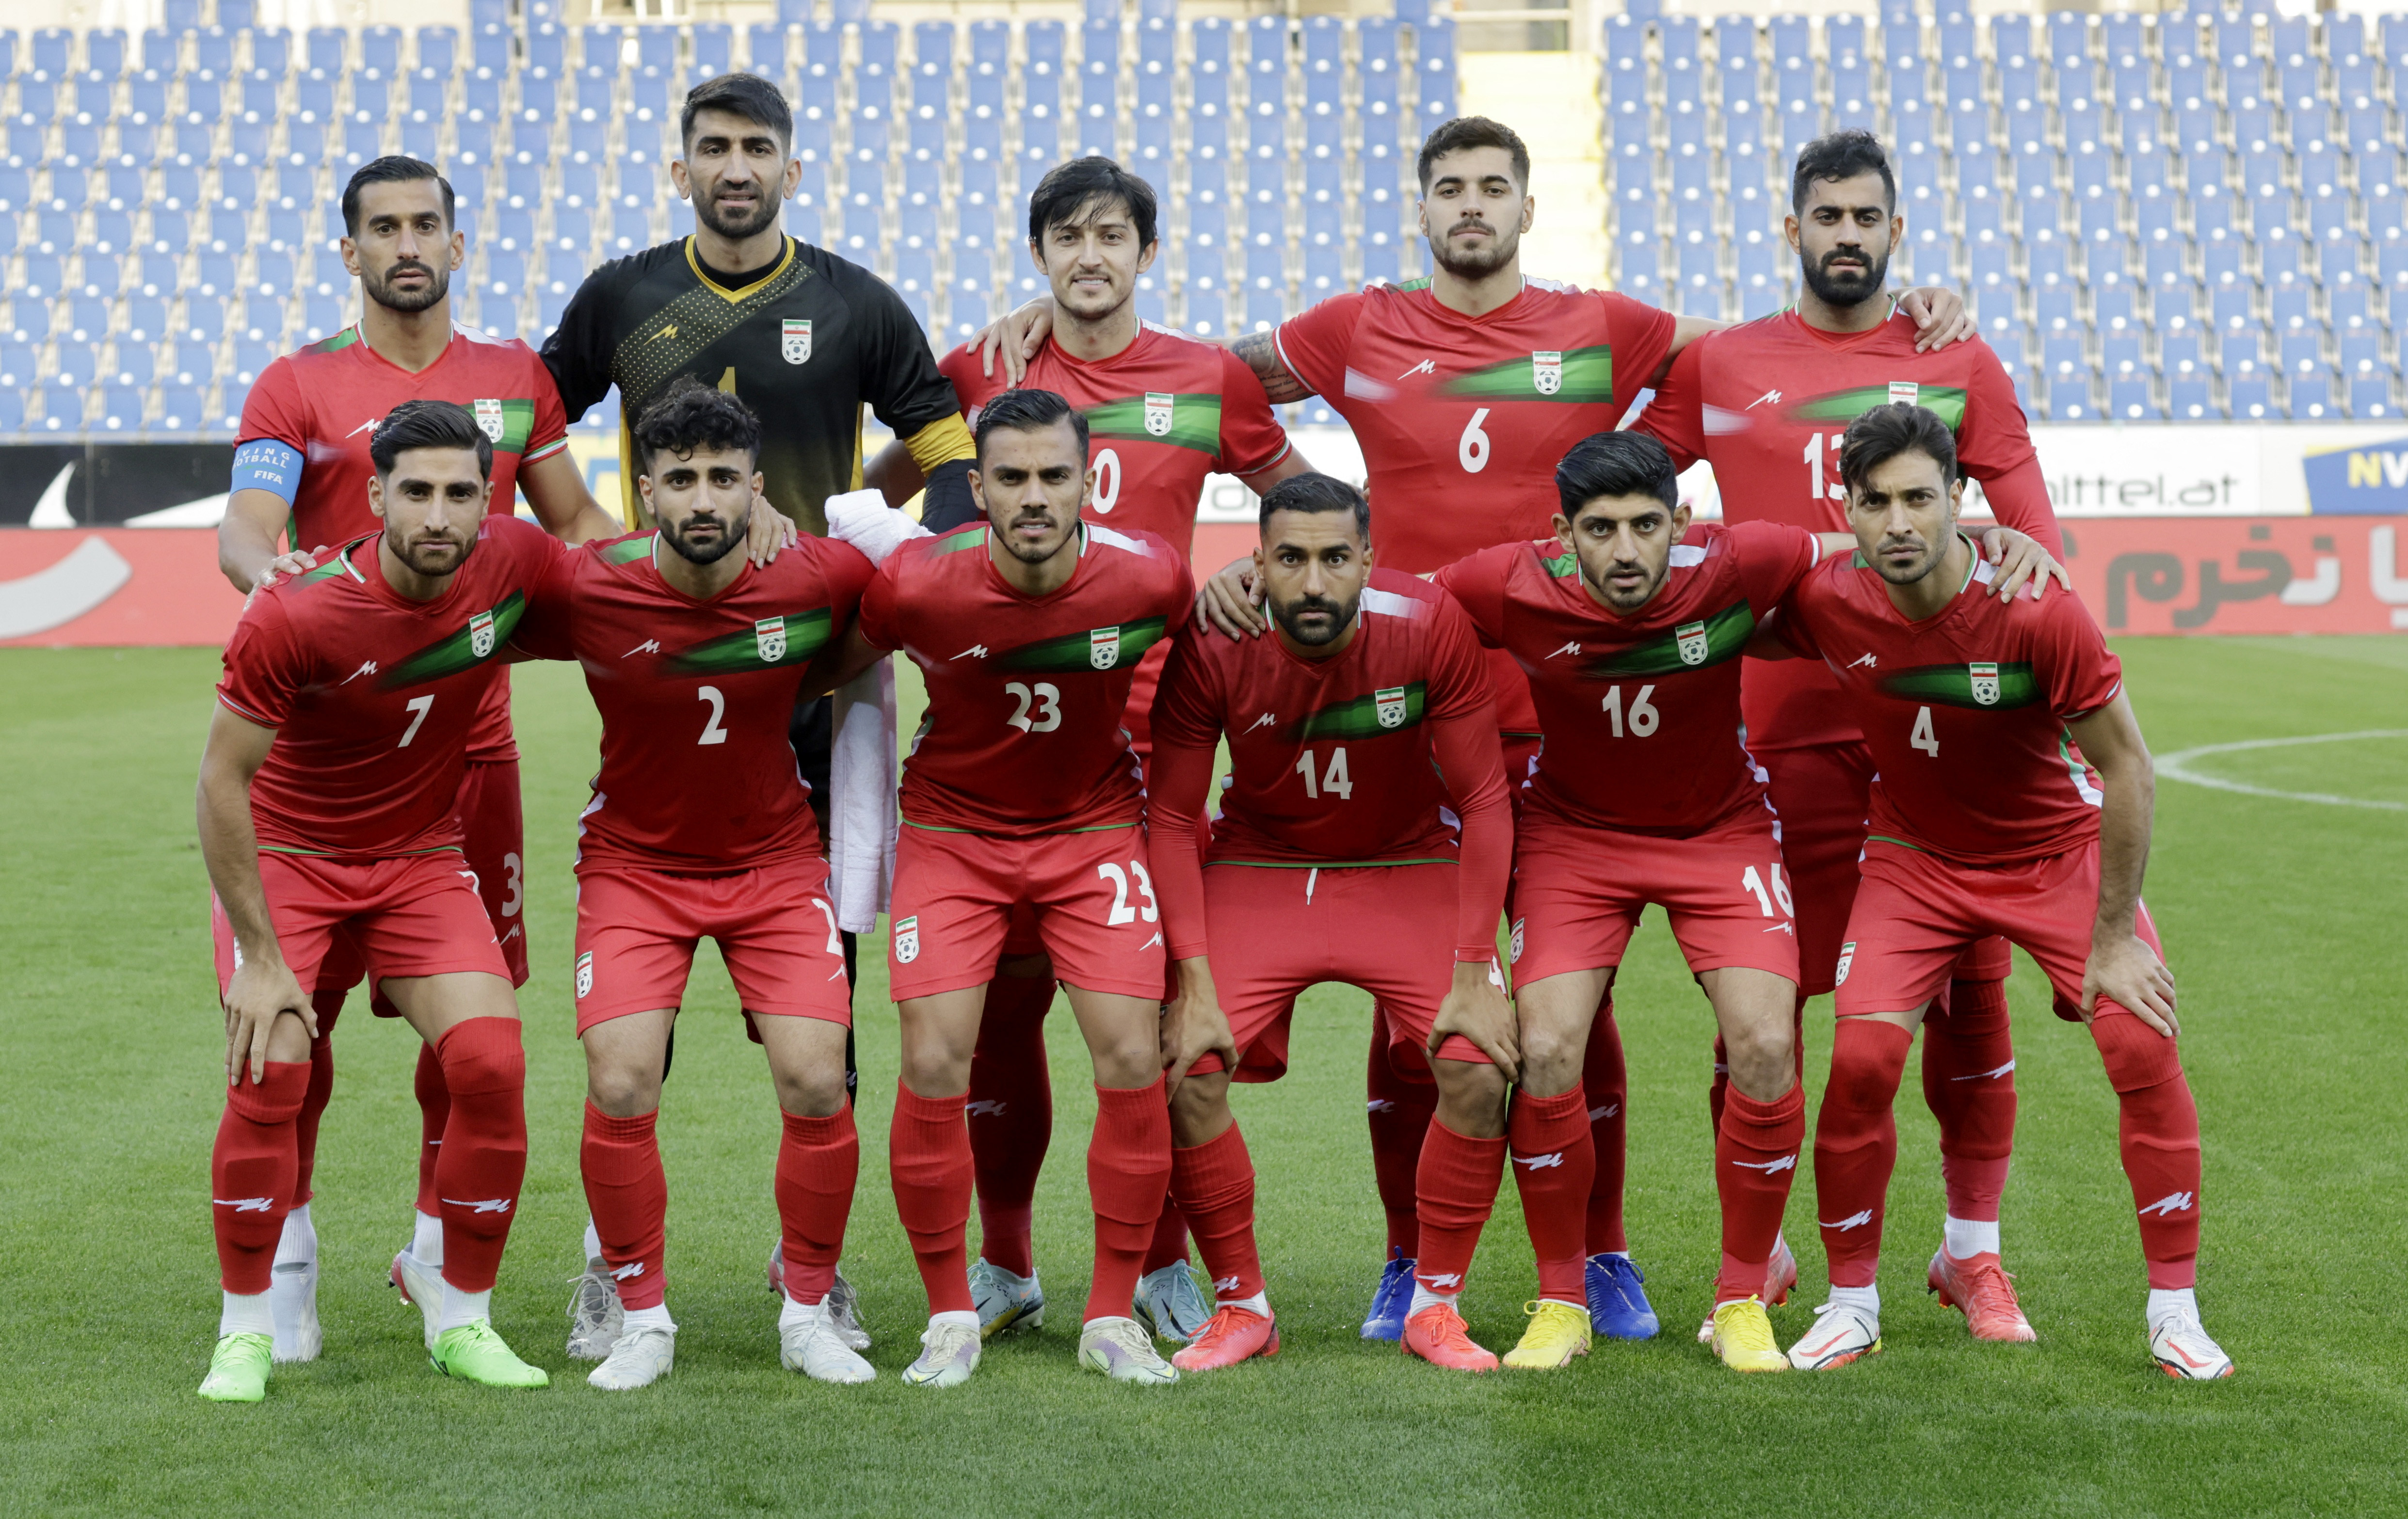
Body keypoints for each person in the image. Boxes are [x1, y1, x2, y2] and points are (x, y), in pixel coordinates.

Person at [977, 115, 1978, 1341]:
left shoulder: (1601, 325)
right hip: (1398, 708)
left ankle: (1599, 1256)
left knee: (1572, 1007)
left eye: (1491, 186)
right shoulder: (1354, 327)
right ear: (1421, 208)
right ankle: (1409, 1262)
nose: (1469, 205)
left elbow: (1750, 351)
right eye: (1448, 187)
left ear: (1524, 207)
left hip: (1553, 721)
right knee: (1417, 1013)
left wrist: (1900, 315)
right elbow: (1212, 372)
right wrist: (1062, 325)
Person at [1432, 432, 2055, 1373]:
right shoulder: (1504, 582)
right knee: (1549, 1045)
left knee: (1765, 1042)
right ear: (1560, 533)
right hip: (1573, 838)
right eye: (1599, 530)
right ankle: (1560, 1301)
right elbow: (1394, 606)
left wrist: (1988, 541)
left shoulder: (1741, 558)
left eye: (1646, 525)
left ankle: (1740, 1299)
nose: (1625, 550)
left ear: (1683, 522)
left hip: (1719, 831)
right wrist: (1248, 583)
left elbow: (1863, 547)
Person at [539, 69, 957, 1355]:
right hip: (672, 657)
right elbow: (529, 423)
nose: (735, 167)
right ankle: (613, 1262)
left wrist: (856, 534)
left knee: (822, 1008)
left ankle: (809, 1267)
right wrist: (599, 537)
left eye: (757, 148)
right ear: (681, 170)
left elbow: (945, 449)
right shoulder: (622, 296)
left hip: (812, 672)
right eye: (713, 148)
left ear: (791, 167)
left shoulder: (854, 301)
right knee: (634, 1036)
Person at [869, 154, 1316, 1345]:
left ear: (1145, 252)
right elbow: (891, 486)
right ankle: (1006, 1263)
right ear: (1039, 253)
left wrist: (1249, 572)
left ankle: (1161, 1261)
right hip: (1001, 742)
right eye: (1066, 237)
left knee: (1151, 1021)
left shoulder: (1207, 376)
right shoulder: (986, 366)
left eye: (1110, 236)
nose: (1088, 256)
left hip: (1153, 742)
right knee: (997, 1025)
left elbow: (1304, 502)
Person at [1634, 129, 2068, 1343]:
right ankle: (1761, 1251)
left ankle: (1969, 1256)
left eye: (1864, 217)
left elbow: (2034, 538)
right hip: (1785, 734)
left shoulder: (1956, 358)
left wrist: (2007, 559)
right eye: (1824, 216)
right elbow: (1622, 492)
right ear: (1791, 230)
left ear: (1894, 230)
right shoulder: (1721, 361)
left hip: (1945, 735)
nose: (1844, 236)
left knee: (1967, 1001)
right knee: (1764, 1001)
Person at [217, 155, 622, 1363]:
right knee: (301, 1030)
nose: (407, 243)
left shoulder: (516, 380)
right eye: (383, 227)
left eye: (425, 224)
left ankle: (438, 1260)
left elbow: (575, 528)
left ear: (457, 241)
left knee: (475, 1041)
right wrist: (277, 581)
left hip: (468, 757)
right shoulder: (297, 384)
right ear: (351, 251)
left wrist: (684, 577)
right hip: (325, 747)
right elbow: (247, 527)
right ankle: (287, 1266)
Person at [1763, 403, 2229, 1380]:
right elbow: (1719, 608)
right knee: (1860, 1060)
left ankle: (2175, 1315)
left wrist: (2112, 937)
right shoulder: (1826, 598)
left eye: (1918, 499)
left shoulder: (2036, 607)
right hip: (1913, 858)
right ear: (1845, 510)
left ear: (1959, 497)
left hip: (2052, 852)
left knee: (2140, 1042)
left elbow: (2128, 767)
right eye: (1874, 503)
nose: (1898, 523)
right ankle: (1850, 1304)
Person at [507, 380, 879, 1391]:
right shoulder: (588, 585)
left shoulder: (816, 574)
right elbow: (460, 602)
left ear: (756, 487)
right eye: (681, 480)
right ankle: (641, 1318)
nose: (703, 498)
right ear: (646, 491)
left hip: (774, 864)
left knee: (817, 1078)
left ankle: (807, 1310)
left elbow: (915, 590)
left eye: (723, 477)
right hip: (635, 868)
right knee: (622, 1079)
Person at [824, 387, 1196, 1387]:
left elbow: (1209, 663)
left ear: (1087, 483)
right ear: (977, 487)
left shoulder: (1150, 576)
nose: (1034, 496)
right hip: (954, 838)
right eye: (1012, 477)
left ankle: (1110, 1317)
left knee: (1132, 1054)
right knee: (933, 1058)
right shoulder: (918, 582)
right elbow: (831, 664)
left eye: (1053, 476)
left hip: (1092, 835)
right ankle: (951, 1313)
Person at [195, 400, 560, 1402]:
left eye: (460, 493)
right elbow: (220, 783)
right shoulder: (295, 609)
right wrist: (260, 958)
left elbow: (636, 587)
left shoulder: (513, 563)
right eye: (416, 492)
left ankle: (462, 1314)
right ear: (374, 495)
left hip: (418, 859)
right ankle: (246, 1329)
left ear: (487, 500)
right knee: (271, 1067)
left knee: (490, 1062)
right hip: (291, 857)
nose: (438, 515)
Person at [1145, 473, 1513, 1372]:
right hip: (1263, 864)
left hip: (1407, 863)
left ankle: (1435, 1306)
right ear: (1257, 561)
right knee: (1185, 1063)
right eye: (1291, 559)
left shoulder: (1426, 622)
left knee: (1478, 1062)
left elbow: (1483, 798)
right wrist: (1191, 982)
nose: (1314, 582)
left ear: (1368, 559)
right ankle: (1242, 1307)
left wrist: (1475, 969)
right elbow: (1172, 816)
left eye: (1336, 558)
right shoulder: (1216, 638)